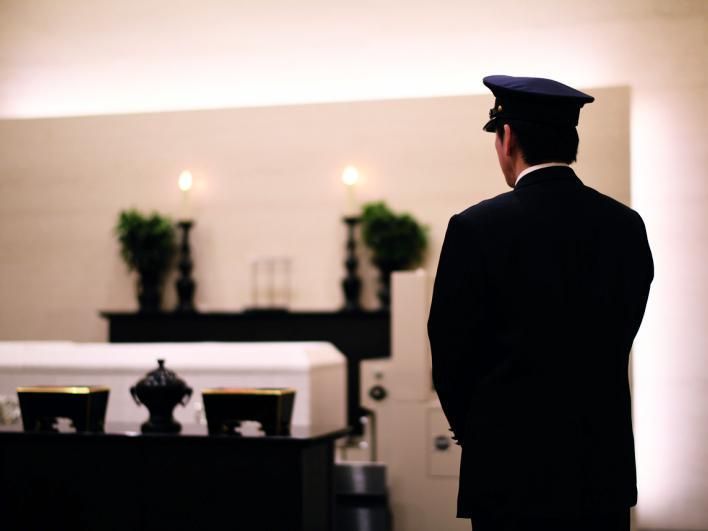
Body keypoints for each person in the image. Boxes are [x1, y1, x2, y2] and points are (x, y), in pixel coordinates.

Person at [427, 75, 654, 531]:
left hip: (508, 471)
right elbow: (625, 326)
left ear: (507, 137)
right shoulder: (625, 225)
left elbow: (450, 350)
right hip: (599, 466)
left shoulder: (475, 227)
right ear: (571, 140)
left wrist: (481, 430)